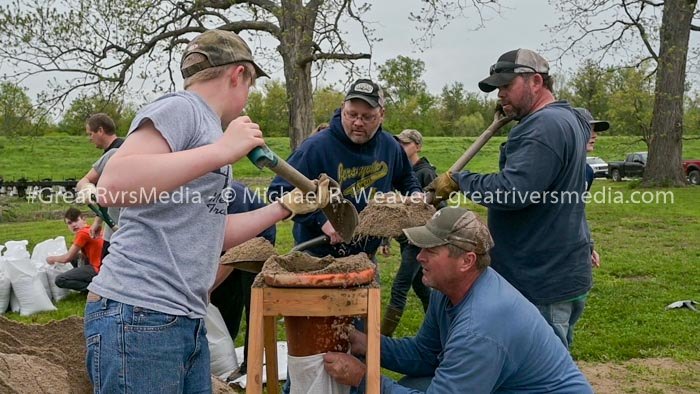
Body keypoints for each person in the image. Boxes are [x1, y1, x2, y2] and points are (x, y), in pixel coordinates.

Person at [85, 29, 331, 392]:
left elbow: (211, 230)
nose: (247, 98)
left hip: (182, 318)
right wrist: (223, 151)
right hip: (140, 313)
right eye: (250, 85)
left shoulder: (210, 134)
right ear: (239, 74)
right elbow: (112, 186)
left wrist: (285, 208)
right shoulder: (181, 108)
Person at [322, 207, 593, 393]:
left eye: (431, 250)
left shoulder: (481, 326)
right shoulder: (448, 291)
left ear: (466, 261)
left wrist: (361, 378)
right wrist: (367, 344)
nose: (419, 257)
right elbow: (424, 355)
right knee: (415, 382)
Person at [426, 48, 592, 349]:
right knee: (549, 364)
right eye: (497, 88)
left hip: (541, 276)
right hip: (562, 267)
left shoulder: (541, 127)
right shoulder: (570, 119)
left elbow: (514, 191)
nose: (500, 95)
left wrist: (461, 180)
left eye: (506, 86)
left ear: (536, 82)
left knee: (540, 371)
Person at [268, 78, 421, 258]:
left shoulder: (390, 146)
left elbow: (405, 178)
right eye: (351, 114)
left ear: (382, 114)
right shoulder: (316, 148)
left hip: (365, 257)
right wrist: (322, 221)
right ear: (342, 109)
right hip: (317, 256)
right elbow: (278, 191)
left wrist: (415, 194)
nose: (358, 122)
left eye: (367, 117)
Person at [210, 181, 276, 378]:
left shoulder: (231, 196)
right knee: (222, 297)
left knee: (254, 302)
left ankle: (251, 364)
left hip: (256, 241)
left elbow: (235, 253)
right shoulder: (192, 197)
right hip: (223, 241)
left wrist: (207, 287)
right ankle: (220, 357)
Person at [381, 129, 436, 337]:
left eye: (406, 144)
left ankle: (382, 341)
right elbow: (389, 207)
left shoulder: (426, 173)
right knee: (421, 288)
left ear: (418, 146)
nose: (401, 148)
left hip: (419, 241)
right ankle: (441, 327)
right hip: (406, 239)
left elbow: (439, 208)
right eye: (399, 144)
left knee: (399, 288)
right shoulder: (401, 173)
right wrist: (385, 237)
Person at [77, 114, 122, 259]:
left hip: (121, 230)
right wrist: (98, 220)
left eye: (90, 134)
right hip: (113, 228)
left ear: (100, 130)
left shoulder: (116, 153)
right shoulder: (110, 153)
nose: (89, 138)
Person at [46, 207, 104, 292]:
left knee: (60, 280)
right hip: (105, 266)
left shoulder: (82, 233)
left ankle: (96, 290)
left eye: (76, 221)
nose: (73, 225)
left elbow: (67, 258)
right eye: (70, 223)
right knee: (76, 257)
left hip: (98, 268)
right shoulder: (91, 229)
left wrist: (51, 258)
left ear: (84, 219)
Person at [576, 108, 610, 192]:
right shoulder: (555, 168)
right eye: (588, 129)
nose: (594, 135)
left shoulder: (588, 171)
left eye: (594, 130)